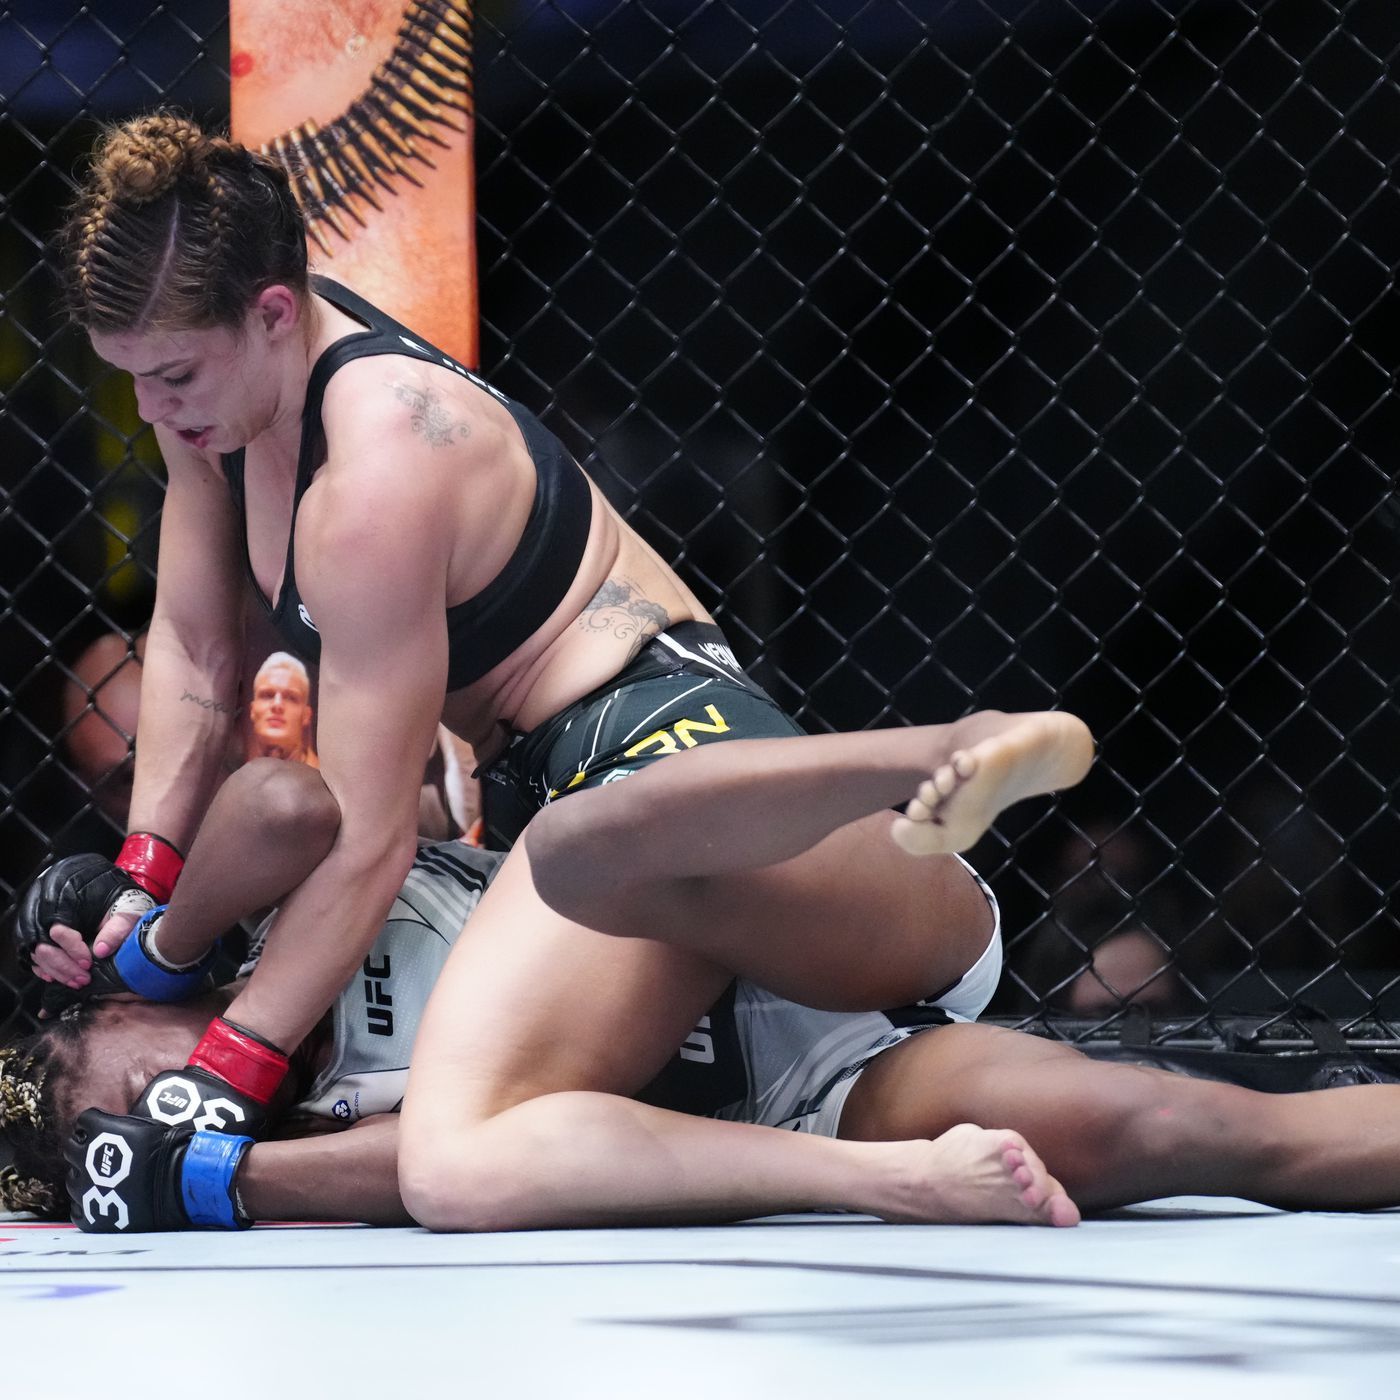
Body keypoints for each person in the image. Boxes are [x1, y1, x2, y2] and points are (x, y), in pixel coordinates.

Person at [21, 109, 813, 1119]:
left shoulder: (377, 466)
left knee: (463, 1132)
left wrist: (223, 1079)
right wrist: (144, 872)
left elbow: (366, 837)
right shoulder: (222, 395)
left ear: (273, 312)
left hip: (660, 756)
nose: (149, 409)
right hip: (550, 792)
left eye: (171, 375)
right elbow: (193, 640)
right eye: (129, 375)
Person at [11, 711, 1400, 1233]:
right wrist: (226, 1180)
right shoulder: (319, 1143)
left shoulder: (277, 924)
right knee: (1171, 1127)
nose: (171, 1107)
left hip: (792, 910)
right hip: (823, 1089)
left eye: (139, 1079)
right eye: (135, 1131)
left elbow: (284, 803)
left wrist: (162, 926)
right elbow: (421, 1177)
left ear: (125, 1009)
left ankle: (938, 745)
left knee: (590, 846)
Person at [244, 651, 318, 765]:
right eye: (267, 695)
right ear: (252, 710)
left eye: (291, 698)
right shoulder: (234, 774)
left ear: (306, 715)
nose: (277, 704)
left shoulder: (328, 776)